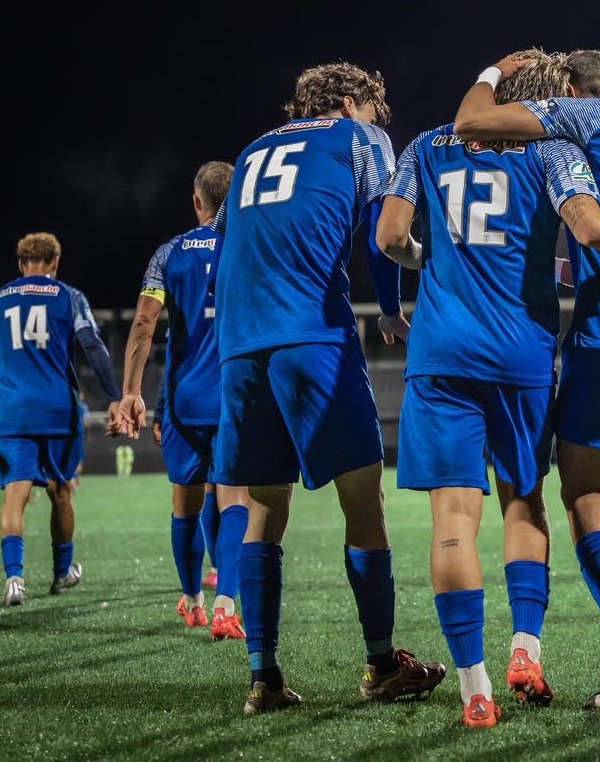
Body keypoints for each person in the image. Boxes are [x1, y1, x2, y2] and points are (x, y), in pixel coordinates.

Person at [377, 49, 600, 729]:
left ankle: (484, 688)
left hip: (475, 345)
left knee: (487, 512)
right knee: (548, 502)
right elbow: (579, 228)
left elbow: (391, 236)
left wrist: (432, 257)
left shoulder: (437, 144)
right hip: (590, 342)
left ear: (565, 92)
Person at [210, 61, 446, 716]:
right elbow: (381, 235)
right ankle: (381, 665)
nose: (377, 122)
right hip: (309, 333)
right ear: (348, 101)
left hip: (240, 341)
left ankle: (263, 677)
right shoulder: (358, 137)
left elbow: (225, 244)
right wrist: (391, 309)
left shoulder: (251, 151)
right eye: (372, 108)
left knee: (264, 507)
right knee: (362, 500)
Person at [112, 161, 246, 641]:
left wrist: (132, 393)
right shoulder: (248, 245)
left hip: (184, 401)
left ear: (196, 201)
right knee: (235, 498)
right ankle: (227, 606)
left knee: (185, 503)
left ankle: (192, 601)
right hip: (235, 395)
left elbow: (144, 323)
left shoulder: (168, 254)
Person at [1, 232, 121, 606]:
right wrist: (114, 396)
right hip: (57, 408)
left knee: (15, 494)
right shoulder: (69, 296)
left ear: (21, 264)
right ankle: (61, 573)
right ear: (54, 263)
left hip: (13, 410)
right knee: (61, 490)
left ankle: (14, 578)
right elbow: (92, 346)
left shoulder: (2, 297)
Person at [153, 365, 219, 589]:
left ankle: (198, 591)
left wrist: (158, 409)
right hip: (230, 397)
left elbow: (172, 361)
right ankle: (227, 587)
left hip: (190, 405)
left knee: (198, 491)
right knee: (233, 492)